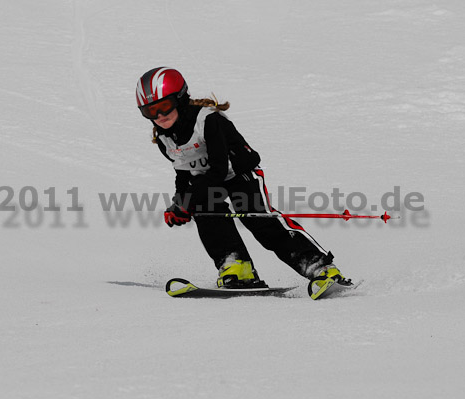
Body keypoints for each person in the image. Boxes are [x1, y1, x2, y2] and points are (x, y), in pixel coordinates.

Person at [135, 66, 349, 298]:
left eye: (164, 107)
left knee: (258, 220)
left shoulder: (208, 120)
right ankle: (237, 267)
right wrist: (180, 204)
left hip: (239, 173)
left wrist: (189, 199)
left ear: (180, 99)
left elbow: (218, 169)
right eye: (150, 111)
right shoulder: (165, 139)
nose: (159, 116)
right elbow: (184, 174)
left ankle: (321, 268)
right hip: (208, 180)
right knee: (205, 212)